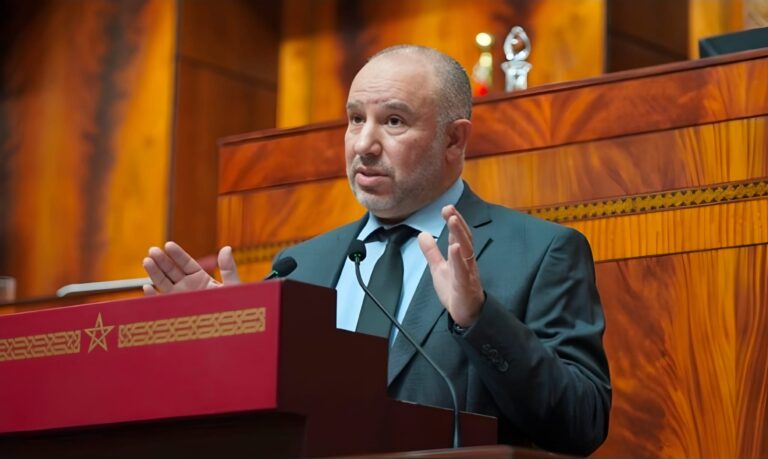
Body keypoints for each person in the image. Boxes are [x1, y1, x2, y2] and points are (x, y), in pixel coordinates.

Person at [143, 45, 611, 455]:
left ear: (454, 139)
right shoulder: (302, 266)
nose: (364, 145)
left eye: (393, 121)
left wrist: (479, 318)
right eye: (355, 119)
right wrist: (228, 339)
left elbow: (582, 423)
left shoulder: (540, 252)